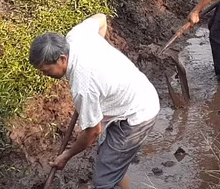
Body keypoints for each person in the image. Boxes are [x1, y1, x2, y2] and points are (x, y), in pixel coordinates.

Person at [29, 14, 159, 189]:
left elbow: (93, 132)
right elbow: (101, 19)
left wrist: (66, 155)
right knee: (111, 165)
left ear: (62, 59)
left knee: (104, 182)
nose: (45, 75)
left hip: (137, 115)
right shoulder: (76, 36)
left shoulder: (84, 87)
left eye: (47, 70)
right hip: (131, 96)